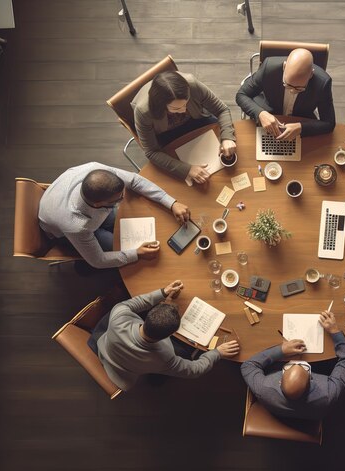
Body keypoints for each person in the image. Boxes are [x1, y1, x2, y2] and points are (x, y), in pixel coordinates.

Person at [39, 162, 190, 269]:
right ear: (98, 204)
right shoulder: (77, 226)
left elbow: (134, 180)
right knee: (123, 246)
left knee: (126, 224)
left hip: (64, 203)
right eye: (118, 199)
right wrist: (136, 253)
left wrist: (171, 203)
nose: (123, 198)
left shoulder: (97, 170)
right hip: (62, 231)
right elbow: (98, 261)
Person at [95, 279, 240, 391]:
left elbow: (138, 302)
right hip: (122, 375)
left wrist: (163, 292)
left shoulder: (118, 316)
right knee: (184, 352)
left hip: (104, 347)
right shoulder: (164, 358)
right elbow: (195, 370)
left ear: (148, 315)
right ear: (171, 334)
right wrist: (217, 353)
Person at [240, 310, 345, 420]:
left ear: (280, 380)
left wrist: (281, 350)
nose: (298, 362)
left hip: (279, 414)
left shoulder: (264, 389)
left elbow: (248, 366)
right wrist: (334, 331)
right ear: (311, 379)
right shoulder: (329, 393)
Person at [131, 71, 236, 184]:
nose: (183, 110)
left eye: (186, 103)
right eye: (176, 109)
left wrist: (227, 138)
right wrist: (186, 170)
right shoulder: (143, 111)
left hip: (196, 120)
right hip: (167, 134)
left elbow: (222, 110)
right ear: (161, 104)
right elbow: (151, 152)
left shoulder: (192, 85)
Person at [235, 48, 336, 140]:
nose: (292, 91)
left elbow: (329, 123)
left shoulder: (323, 83)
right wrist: (260, 113)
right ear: (284, 66)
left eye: (299, 88)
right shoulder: (269, 68)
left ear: (311, 74)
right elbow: (241, 94)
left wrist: (301, 127)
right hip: (267, 116)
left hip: (300, 122)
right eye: (287, 85)